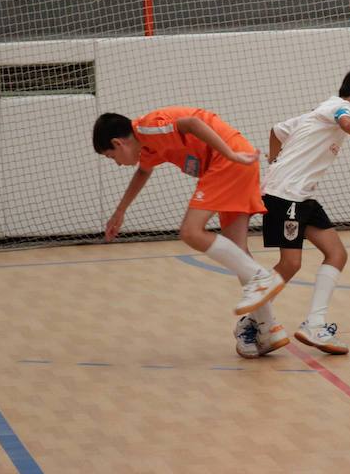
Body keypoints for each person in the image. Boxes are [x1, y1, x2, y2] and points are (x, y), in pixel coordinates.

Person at [93, 107, 287, 359]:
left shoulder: (148, 128)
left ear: (118, 142)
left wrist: (229, 154)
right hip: (239, 159)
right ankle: (269, 327)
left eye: (112, 157)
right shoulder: (147, 148)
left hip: (228, 160)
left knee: (190, 232)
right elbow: (143, 172)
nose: (118, 164)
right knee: (237, 251)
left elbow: (193, 123)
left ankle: (260, 277)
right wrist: (120, 211)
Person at [260, 67, 350, 355]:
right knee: (290, 264)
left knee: (337, 253)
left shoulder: (316, 114)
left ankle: (314, 324)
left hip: (300, 196)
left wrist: (274, 160)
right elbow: (348, 124)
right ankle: (252, 324)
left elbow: (276, 131)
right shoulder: (339, 107)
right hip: (285, 195)